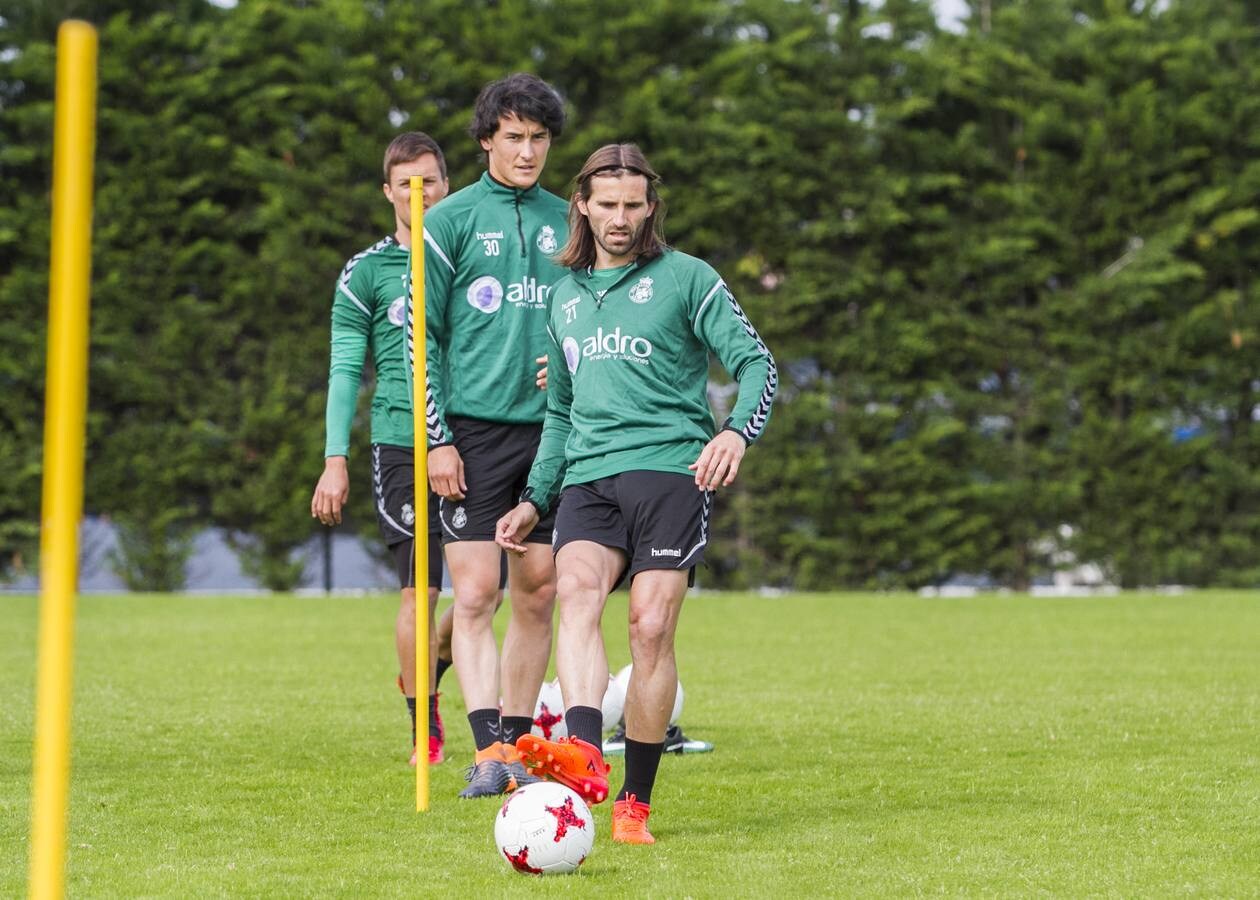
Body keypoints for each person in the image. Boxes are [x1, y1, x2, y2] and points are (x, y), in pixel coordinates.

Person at [496, 143, 777, 844]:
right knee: (576, 595)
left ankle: (634, 805)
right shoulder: (562, 298)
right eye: (606, 205)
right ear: (582, 206)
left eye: (632, 205)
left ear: (650, 207)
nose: (619, 219)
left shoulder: (687, 278)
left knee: (649, 628)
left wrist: (736, 433)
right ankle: (586, 753)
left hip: (671, 471)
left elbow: (755, 361)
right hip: (589, 475)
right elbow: (559, 413)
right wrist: (535, 497)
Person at [422, 73, 570, 798]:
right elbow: (423, 340)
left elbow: (588, 310)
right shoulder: (446, 222)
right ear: (487, 140)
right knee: (476, 593)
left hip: (551, 435)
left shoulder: (568, 220)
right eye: (514, 136)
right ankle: (487, 753)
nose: (527, 151)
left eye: (539, 138)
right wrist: (436, 438)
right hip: (471, 436)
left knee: (537, 592)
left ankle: (515, 741)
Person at [310, 132, 452, 767]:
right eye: (406, 184)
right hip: (402, 442)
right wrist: (333, 457)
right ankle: (423, 722)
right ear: (388, 192)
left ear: (447, 185)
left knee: (490, 593)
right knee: (419, 590)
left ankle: (435, 663)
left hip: (479, 435)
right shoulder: (367, 272)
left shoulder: (471, 258)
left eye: (430, 182)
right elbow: (346, 368)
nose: (419, 195)